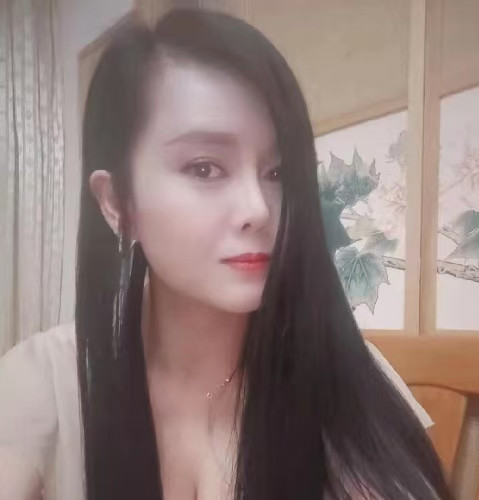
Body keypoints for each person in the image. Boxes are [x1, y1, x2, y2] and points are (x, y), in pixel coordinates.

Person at [0, 8, 451, 500]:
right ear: (118, 204)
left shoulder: (346, 372)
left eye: (277, 173)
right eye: (205, 168)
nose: (258, 209)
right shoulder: (46, 382)